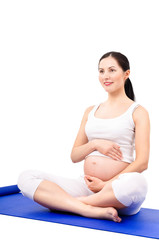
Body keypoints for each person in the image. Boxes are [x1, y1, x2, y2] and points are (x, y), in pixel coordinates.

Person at [18, 51, 150, 222]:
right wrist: (95, 144)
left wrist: (106, 185)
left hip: (117, 193)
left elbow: (142, 162)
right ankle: (88, 210)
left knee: (137, 183)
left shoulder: (138, 112)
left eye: (111, 70)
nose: (105, 76)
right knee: (26, 177)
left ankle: (74, 204)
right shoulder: (91, 111)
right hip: (87, 186)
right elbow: (75, 156)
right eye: (101, 71)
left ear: (126, 74)